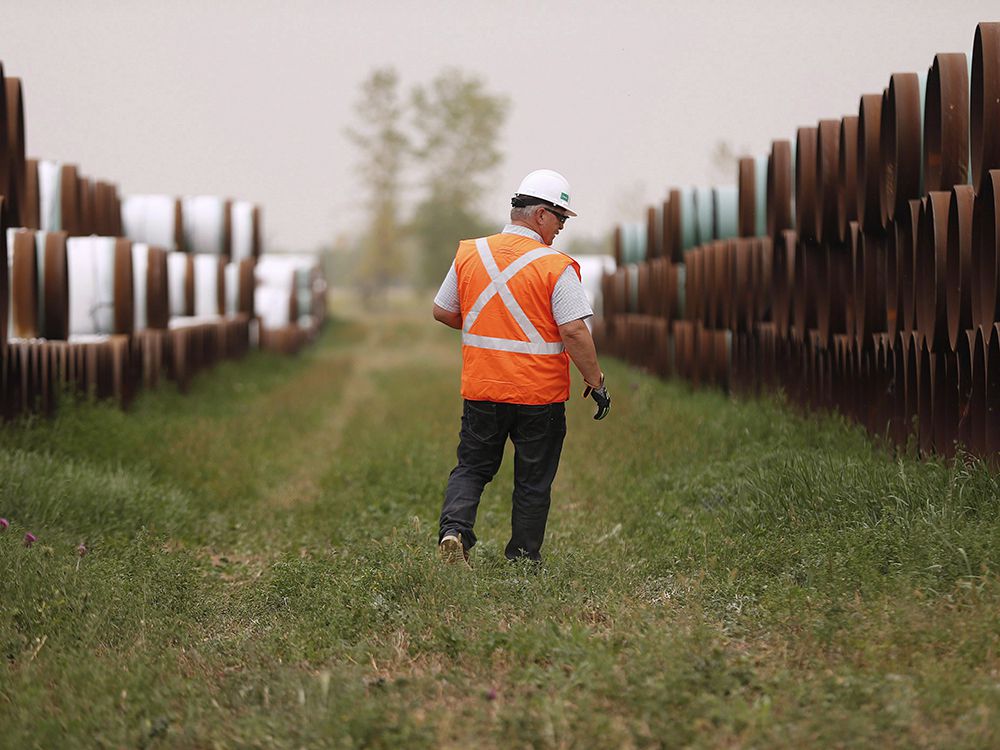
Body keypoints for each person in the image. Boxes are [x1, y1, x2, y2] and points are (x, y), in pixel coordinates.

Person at [432, 169, 611, 567]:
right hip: (538, 396)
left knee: (472, 467)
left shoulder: (470, 253)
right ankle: (523, 558)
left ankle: (454, 531)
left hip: (483, 388)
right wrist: (595, 380)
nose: (562, 227)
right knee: (532, 481)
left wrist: (488, 321)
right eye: (561, 218)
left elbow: (443, 311)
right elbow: (573, 330)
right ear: (541, 215)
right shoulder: (555, 265)